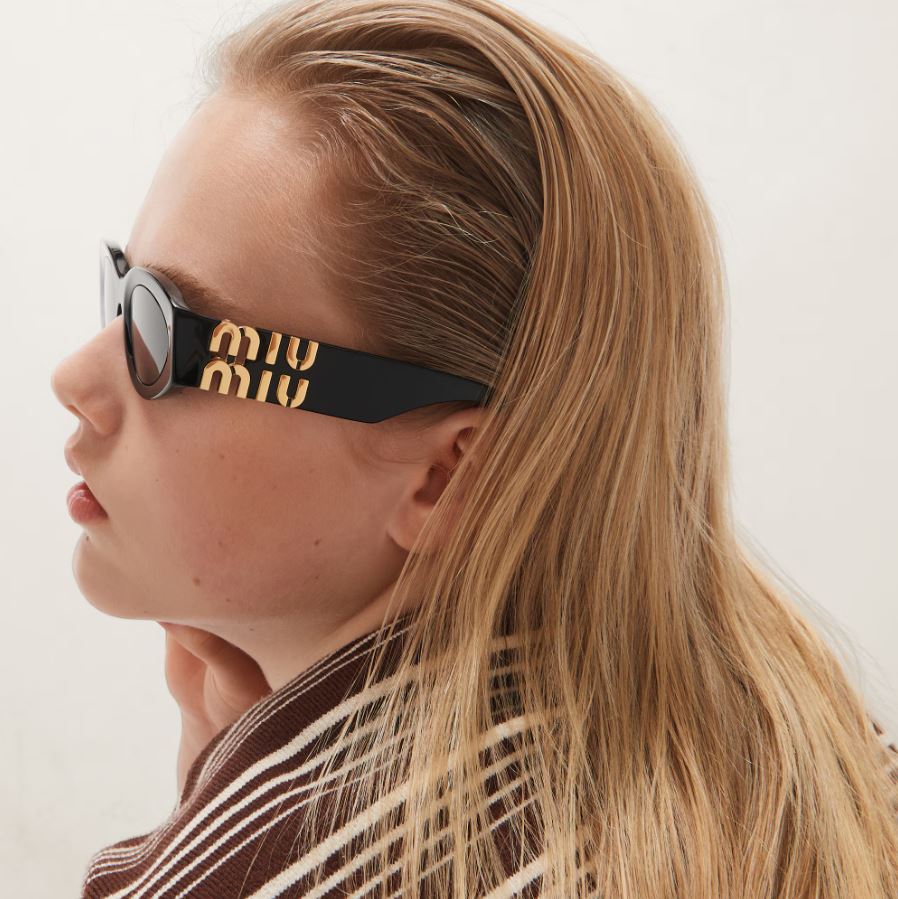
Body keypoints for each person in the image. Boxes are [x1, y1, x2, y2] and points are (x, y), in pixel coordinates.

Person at [50, 0, 898, 896]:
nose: (76, 377)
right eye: (122, 289)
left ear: (446, 475)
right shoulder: (815, 753)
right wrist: (230, 794)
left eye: (165, 331)